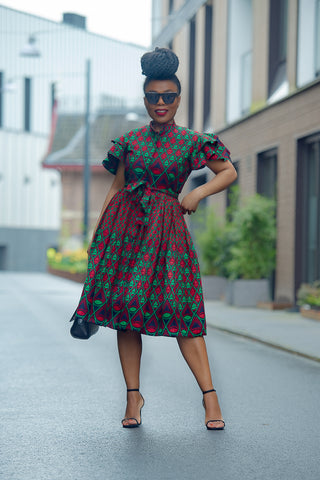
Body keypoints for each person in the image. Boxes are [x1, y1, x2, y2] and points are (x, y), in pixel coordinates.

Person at [71, 48, 237, 430]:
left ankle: (210, 399)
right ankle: (133, 397)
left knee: (183, 311)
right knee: (126, 313)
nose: (160, 103)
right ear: (144, 98)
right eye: (152, 97)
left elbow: (228, 171)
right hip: (125, 232)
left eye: (168, 97)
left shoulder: (193, 142)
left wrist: (195, 194)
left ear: (179, 99)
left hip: (167, 234)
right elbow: (116, 188)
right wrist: (99, 237)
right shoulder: (129, 141)